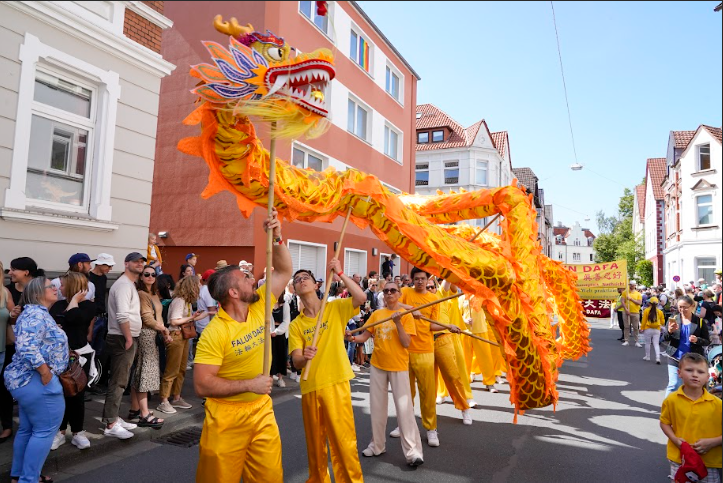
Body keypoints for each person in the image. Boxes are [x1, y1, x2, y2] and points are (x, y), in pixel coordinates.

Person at [194, 207, 291, 483]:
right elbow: (202, 385)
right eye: (246, 278)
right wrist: (250, 384)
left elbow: (284, 271)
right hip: (225, 419)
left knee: (270, 478)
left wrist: (277, 237)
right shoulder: (215, 333)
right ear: (234, 293)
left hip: (261, 411)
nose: (253, 279)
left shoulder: (259, 307)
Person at [289, 259, 366, 483]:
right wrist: (304, 357)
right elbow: (295, 361)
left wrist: (340, 272)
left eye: (305, 278)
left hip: (336, 383)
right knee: (315, 445)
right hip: (310, 387)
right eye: (297, 280)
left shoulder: (334, 308)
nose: (301, 281)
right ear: (294, 290)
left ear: (316, 285)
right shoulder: (296, 325)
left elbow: (360, 298)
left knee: (343, 441)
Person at [347, 281, 424, 466]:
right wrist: (351, 337)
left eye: (393, 290)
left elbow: (406, 343)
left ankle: (413, 452)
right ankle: (377, 445)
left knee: (405, 410)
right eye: (386, 290)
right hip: (378, 366)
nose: (389, 293)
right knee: (377, 408)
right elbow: (364, 337)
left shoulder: (406, 316)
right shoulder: (377, 314)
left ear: (399, 294)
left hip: (398, 367)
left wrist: (398, 323)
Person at [4, 276, 68, 483]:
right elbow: (26, 347)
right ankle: (28, 479)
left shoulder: (36, 314)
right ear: (37, 293)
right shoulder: (35, 314)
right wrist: (45, 372)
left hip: (27, 381)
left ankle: (19, 476)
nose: (55, 289)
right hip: (36, 381)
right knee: (44, 431)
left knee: (28, 429)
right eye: (50, 286)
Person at [390, 268, 447, 448]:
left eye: (422, 279)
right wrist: (411, 309)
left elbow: (432, 326)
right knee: (405, 393)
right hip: (405, 351)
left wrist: (447, 327)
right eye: (417, 279)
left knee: (428, 393)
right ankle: (403, 424)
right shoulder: (406, 293)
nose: (420, 282)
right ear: (412, 280)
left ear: (427, 279)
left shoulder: (433, 299)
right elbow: (392, 305)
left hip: (425, 351)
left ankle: (431, 428)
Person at [48, 272, 95, 451]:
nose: (59, 288)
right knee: (59, 395)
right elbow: (55, 324)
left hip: (78, 357)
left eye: (62, 285)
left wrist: (74, 300)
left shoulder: (88, 306)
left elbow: (74, 318)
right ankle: (59, 432)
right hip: (59, 357)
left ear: (73, 287)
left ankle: (77, 432)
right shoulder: (58, 304)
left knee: (77, 395)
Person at [102, 252, 146, 440]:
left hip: (125, 336)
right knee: (118, 381)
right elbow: (122, 315)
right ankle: (111, 423)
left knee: (121, 380)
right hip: (122, 337)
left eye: (142, 261)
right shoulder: (123, 285)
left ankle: (114, 418)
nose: (140, 264)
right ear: (126, 263)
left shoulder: (128, 284)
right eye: (135, 261)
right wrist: (128, 338)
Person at [660, 352, 722, 482]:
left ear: (707, 377)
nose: (695, 374)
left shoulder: (718, 404)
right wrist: (676, 440)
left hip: (710, 461)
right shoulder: (671, 400)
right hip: (680, 458)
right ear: (679, 373)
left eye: (700, 372)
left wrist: (713, 442)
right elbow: (664, 422)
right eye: (689, 370)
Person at [2, 257, 43, 445]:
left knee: (30, 393)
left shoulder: (36, 290)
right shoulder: (13, 290)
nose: (10, 273)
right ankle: (18, 428)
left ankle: (31, 431)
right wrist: (14, 315)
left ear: (25, 272)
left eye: (13, 270)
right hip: (17, 349)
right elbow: (13, 320)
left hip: (31, 354)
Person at [129, 265, 171, 428]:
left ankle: (135, 408)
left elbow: (158, 316)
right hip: (146, 334)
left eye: (153, 274)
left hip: (154, 333)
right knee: (146, 372)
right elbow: (147, 319)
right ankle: (144, 415)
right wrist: (165, 330)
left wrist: (163, 332)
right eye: (146, 274)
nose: (150, 277)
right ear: (140, 277)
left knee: (140, 370)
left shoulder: (153, 294)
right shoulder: (141, 294)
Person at [156, 275, 205, 414]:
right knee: (172, 370)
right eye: (197, 285)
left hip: (182, 336)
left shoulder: (186, 301)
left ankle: (176, 397)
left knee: (181, 369)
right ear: (191, 287)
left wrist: (204, 314)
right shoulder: (179, 301)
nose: (199, 287)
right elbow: (174, 321)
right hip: (176, 335)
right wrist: (192, 317)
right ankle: (164, 400)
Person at [429, 280, 471, 423]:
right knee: (428, 381)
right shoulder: (418, 300)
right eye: (428, 287)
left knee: (453, 375)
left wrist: (447, 265)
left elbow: (446, 281)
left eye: (432, 287)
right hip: (425, 342)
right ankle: (429, 414)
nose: (430, 289)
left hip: (443, 339)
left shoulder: (440, 295)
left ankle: (464, 408)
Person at [662, 295, 710, 397]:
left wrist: (697, 340)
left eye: (685, 307)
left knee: (693, 386)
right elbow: (664, 338)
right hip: (675, 357)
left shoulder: (699, 322)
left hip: (693, 359)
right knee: (674, 384)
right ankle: (667, 409)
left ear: (692, 306)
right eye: (680, 307)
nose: (682, 310)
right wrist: (670, 331)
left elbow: (707, 341)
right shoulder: (673, 319)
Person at [87, 254, 114, 366]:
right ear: (99, 264)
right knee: (89, 347)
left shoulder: (103, 277)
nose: (110, 269)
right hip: (92, 317)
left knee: (99, 349)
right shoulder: (88, 277)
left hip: (103, 316)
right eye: (108, 266)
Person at [190, 269, 218, 370]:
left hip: (201, 322)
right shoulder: (208, 291)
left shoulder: (204, 289)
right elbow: (212, 309)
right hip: (206, 323)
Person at [0, 261, 15, 445]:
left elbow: (13, 318)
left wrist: (15, 314)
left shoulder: (5, 292)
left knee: (3, 391)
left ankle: (7, 426)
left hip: (2, 351)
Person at [270, 293, 290, 388]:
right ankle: (269, 378)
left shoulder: (285, 304)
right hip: (269, 334)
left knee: (281, 356)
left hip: (280, 334)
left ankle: (280, 378)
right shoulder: (267, 303)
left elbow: (286, 321)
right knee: (270, 357)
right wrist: (270, 331)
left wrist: (277, 332)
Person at [640, 296, 664, 365]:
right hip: (657, 329)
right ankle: (658, 358)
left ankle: (647, 356)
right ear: (657, 304)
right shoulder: (660, 312)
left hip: (648, 329)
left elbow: (643, 321)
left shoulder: (646, 310)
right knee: (656, 344)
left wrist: (642, 328)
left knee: (647, 343)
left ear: (649, 303)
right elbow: (662, 322)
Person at [621, 280, 643, 347]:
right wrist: (626, 309)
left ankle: (637, 341)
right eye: (630, 284)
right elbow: (622, 301)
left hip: (635, 312)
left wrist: (631, 299)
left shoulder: (638, 294)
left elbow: (639, 303)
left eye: (632, 285)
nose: (631, 286)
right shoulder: (625, 292)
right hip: (626, 312)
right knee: (626, 326)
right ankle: (626, 340)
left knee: (635, 327)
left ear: (635, 286)